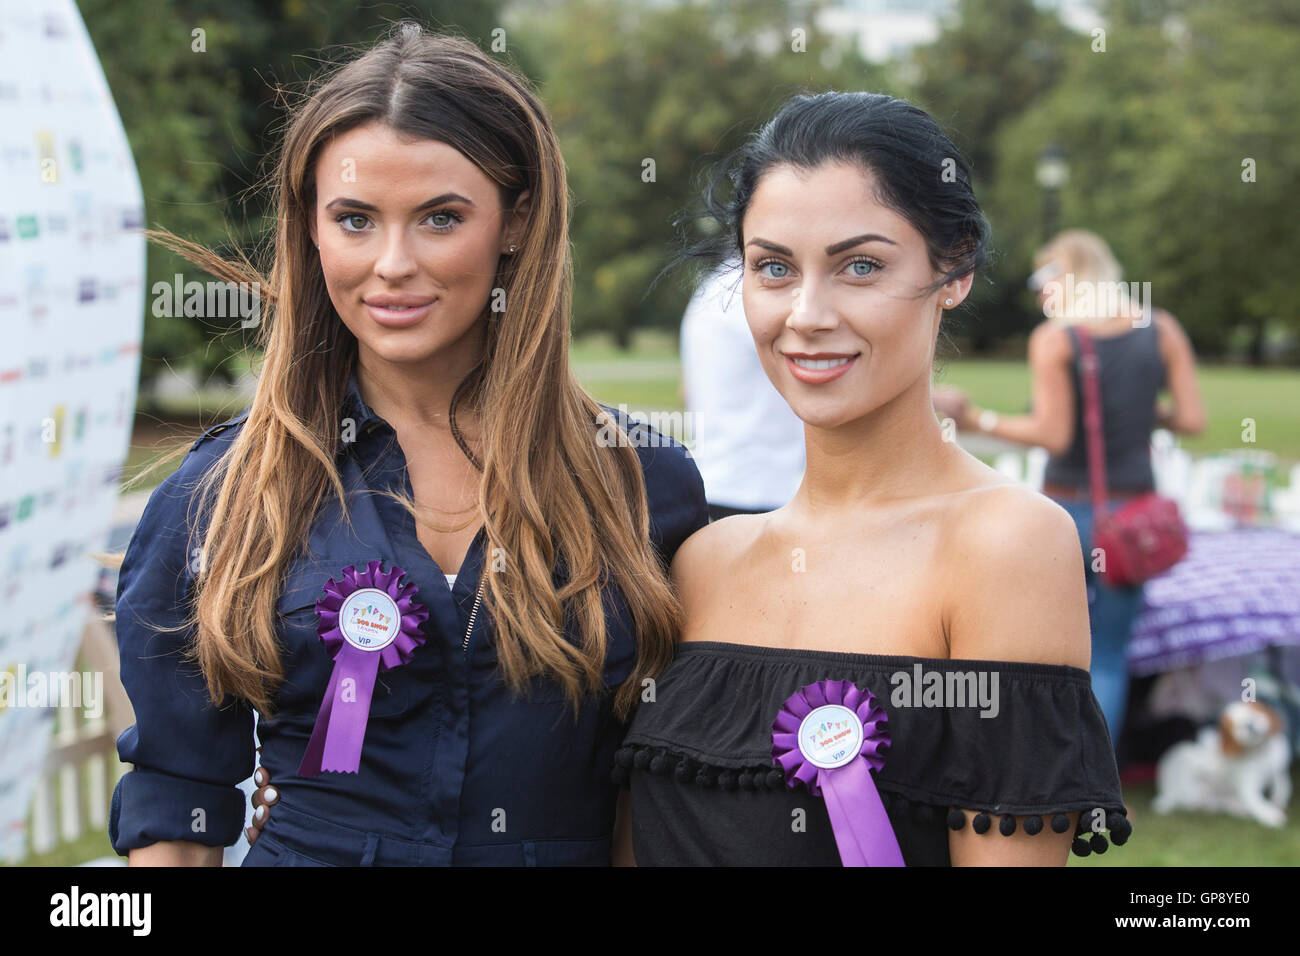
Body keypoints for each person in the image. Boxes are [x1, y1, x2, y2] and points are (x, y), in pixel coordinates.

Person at [109, 23, 707, 867]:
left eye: (440, 218)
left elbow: (657, 799)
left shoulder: (647, 485)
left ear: (516, 221)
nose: (392, 263)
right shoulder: (223, 489)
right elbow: (175, 806)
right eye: (354, 219)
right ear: (311, 231)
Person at [611, 92, 1132, 866]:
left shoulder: (1004, 543)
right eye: (774, 268)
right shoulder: (702, 559)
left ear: (953, 269)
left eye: (861, 265)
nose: (808, 313)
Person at [933, 229, 1205, 746]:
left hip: (1065, 513)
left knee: (1047, 651)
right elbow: (1191, 418)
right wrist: (1139, 409)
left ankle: (1041, 768)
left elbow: (1052, 432)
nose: (1040, 293)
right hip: (1131, 519)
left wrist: (978, 417)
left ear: (1069, 278)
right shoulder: (1161, 328)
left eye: (1044, 279)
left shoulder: (1056, 339)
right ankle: (1101, 785)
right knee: (1107, 654)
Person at [680, 258, 805, 520]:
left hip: (719, 480)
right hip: (762, 487)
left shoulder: (715, 285)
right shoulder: (754, 290)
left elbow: (686, 390)